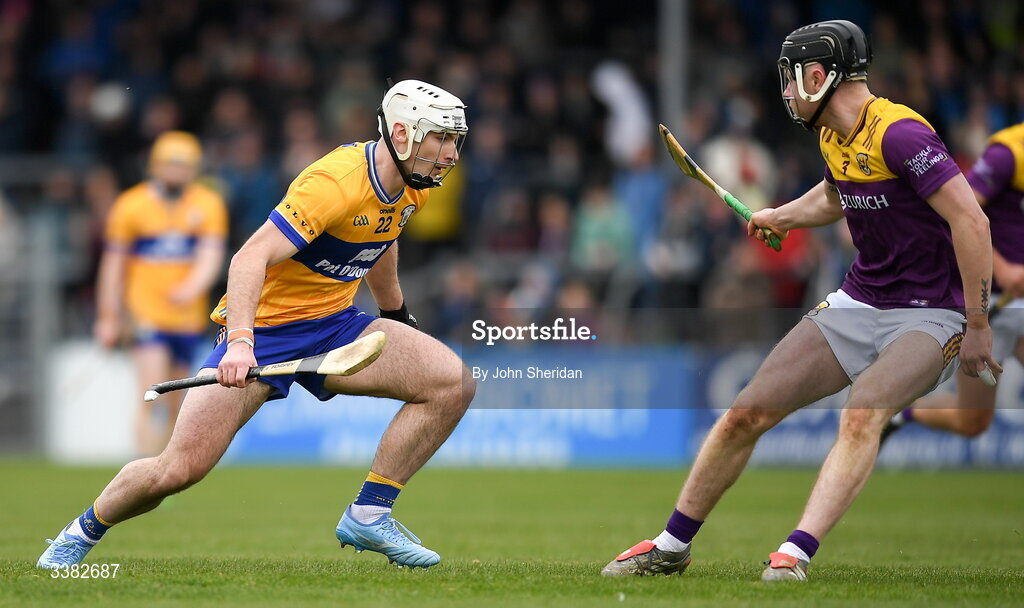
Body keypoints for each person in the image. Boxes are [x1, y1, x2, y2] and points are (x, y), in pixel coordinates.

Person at [601, 20, 999, 582]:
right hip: (860, 300)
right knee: (745, 413)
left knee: (862, 412)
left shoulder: (901, 135)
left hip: (932, 312)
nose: (786, 92)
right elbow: (837, 194)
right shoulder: (833, 135)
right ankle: (669, 547)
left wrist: (977, 324)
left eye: (791, 79)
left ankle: (796, 551)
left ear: (819, 76)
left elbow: (972, 221)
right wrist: (782, 216)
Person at [38, 80, 474, 570]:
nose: (451, 153)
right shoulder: (333, 184)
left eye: (455, 140)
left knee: (451, 383)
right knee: (177, 470)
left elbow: (382, 236)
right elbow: (249, 258)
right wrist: (241, 344)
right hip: (264, 333)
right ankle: (79, 533)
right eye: (440, 138)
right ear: (401, 134)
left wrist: (393, 313)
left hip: (336, 325)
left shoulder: (415, 186)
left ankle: (369, 513)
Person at [882, 122, 1024, 443]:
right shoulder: (1008, 154)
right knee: (972, 422)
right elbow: (959, 217)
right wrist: (1002, 269)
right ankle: (902, 414)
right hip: (989, 304)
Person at [94, 131, 227, 455]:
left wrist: (191, 287)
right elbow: (113, 267)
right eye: (171, 165)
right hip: (146, 315)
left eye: (184, 166)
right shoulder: (131, 206)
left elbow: (210, 256)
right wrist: (108, 316)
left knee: (176, 402)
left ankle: (164, 469)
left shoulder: (208, 204)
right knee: (152, 392)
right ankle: (142, 464)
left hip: (187, 318)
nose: (177, 173)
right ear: (155, 165)